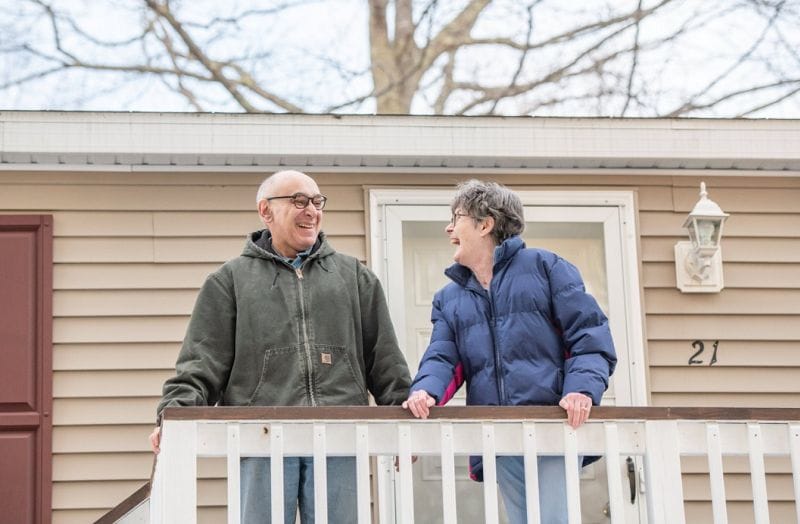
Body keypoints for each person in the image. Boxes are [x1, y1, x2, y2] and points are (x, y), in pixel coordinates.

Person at [149, 170, 411, 523]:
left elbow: (385, 358)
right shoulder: (229, 281)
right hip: (261, 438)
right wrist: (173, 414)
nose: (311, 211)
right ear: (265, 211)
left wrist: (402, 418)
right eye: (298, 201)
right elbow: (200, 363)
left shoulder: (354, 277)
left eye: (317, 202)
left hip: (341, 435)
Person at [402, 180, 616, 524]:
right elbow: (444, 357)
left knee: (554, 519)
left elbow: (590, 338)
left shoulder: (546, 268)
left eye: (456, 218)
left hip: (555, 426)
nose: (448, 228)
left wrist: (581, 390)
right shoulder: (449, 297)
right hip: (499, 434)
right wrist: (426, 392)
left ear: (485, 224)